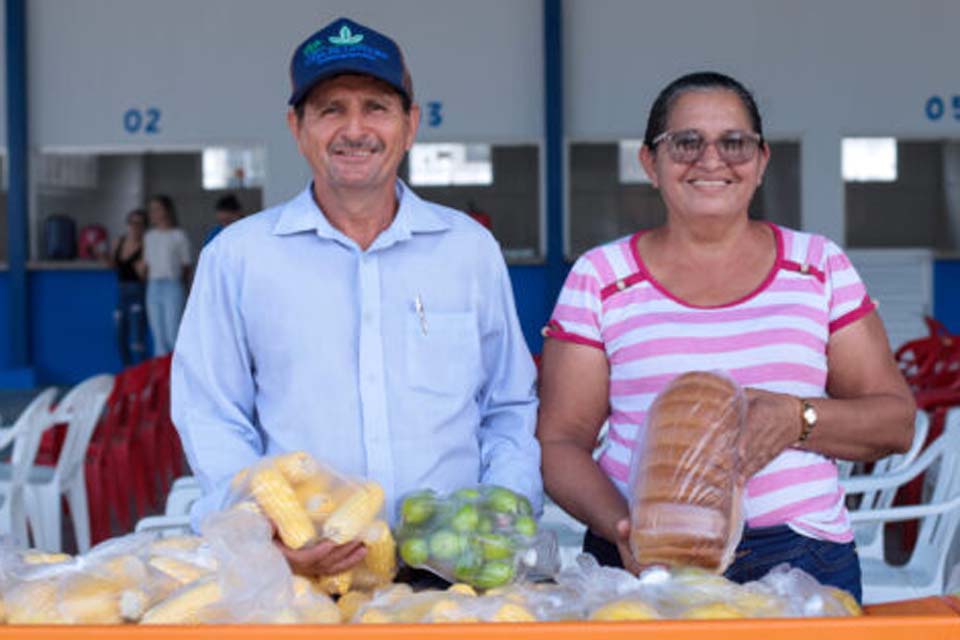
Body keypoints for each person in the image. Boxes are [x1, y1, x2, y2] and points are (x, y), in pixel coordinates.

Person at [171, 17, 541, 580]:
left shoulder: (468, 250)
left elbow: (508, 406)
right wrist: (263, 529)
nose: (355, 128)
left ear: (410, 124)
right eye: (330, 109)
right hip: (304, 571)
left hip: (453, 567)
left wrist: (498, 517)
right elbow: (211, 414)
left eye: (376, 107)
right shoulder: (240, 257)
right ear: (297, 127)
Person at [536, 71, 915, 603]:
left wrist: (796, 419)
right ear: (651, 163)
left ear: (760, 161)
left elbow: (895, 421)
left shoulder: (818, 266)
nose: (711, 160)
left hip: (799, 555)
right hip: (643, 558)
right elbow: (561, 442)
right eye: (686, 142)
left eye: (733, 143)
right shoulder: (601, 277)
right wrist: (624, 527)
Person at [143, 194, 192, 356]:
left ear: (167, 211)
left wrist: (183, 288)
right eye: (151, 210)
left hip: (172, 285)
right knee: (159, 338)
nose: (153, 213)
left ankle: (181, 377)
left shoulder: (178, 235)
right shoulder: (149, 237)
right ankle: (164, 379)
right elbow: (147, 265)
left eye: (157, 209)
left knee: (173, 334)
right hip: (153, 286)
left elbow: (186, 265)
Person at [104, 208, 148, 366]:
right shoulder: (119, 241)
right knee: (119, 337)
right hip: (122, 291)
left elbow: (144, 274)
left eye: (139, 224)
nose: (135, 227)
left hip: (138, 291)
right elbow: (113, 265)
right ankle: (129, 373)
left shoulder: (146, 245)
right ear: (127, 224)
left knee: (137, 340)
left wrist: (142, 268)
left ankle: (141, 376)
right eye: (132, 223)